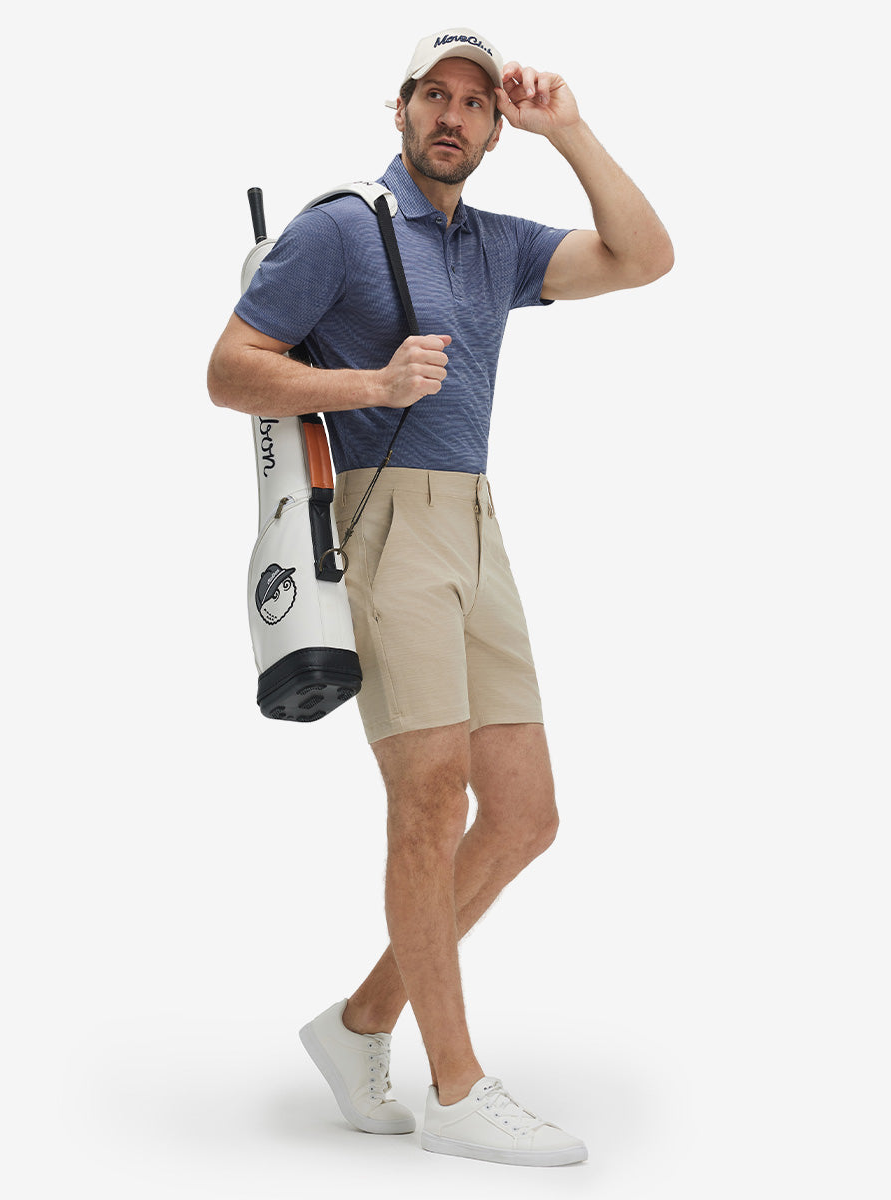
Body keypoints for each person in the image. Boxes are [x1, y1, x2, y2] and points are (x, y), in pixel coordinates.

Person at [208, 26, 673, 1168]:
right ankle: (456, 1091)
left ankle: (361, 1021)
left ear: (495, 128)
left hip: (476, 522)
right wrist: (371, 382)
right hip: (386, 522)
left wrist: (570, 129)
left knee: (524, 815)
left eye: (475, 102)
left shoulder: (498, 246)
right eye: (435, 95)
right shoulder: (340, 227)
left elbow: (646, 256)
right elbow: (228, 368)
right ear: (401, 107)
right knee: (430, 801)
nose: (452, 115)